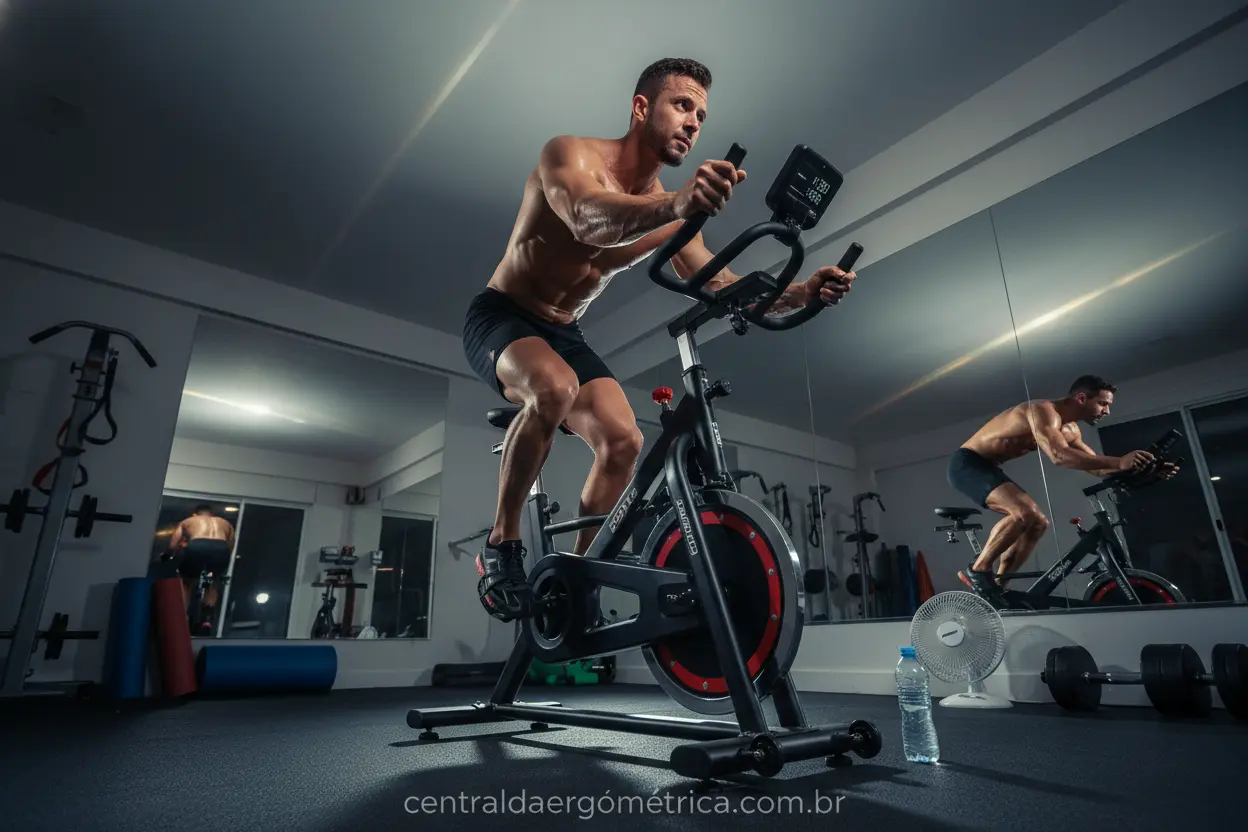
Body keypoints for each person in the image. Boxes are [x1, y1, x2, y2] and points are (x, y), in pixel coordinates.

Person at [462, 57, 857, 621]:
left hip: (564, 329)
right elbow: (585, 219)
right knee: (552, 387)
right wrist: (677, 203)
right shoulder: (570, 154)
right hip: (502, 315)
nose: (694, 121)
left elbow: (720, 284)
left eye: (701, 114)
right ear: (641, 107)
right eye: (682, 105)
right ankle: (502, 547)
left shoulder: (672, 211)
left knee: (624, 440)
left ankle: (578, 579)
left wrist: (803, 291)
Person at [947, 375, 1178, 603]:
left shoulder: (1071, 431)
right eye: (1103, 403)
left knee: (1038, 523)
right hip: (967, 463)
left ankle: (997, 588)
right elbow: (1058, 456)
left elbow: (1096, 467)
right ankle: (977, 571)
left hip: (988, 466)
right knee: (1024, 513)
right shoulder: (1041, 410)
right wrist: (1119, 461)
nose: (1106, 411)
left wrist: (1145, 470)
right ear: (1081, 398)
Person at [167, 504, 236, 632]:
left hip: (197, 546)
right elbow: (230, 546)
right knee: (212, 581)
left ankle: (181, 616)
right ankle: (207, 619)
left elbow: (173, 545)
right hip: (221, 549)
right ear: (211, 515)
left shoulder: (188, 521)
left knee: (186, 581)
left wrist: (167, 557)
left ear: (195, 515)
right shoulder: (225, 523)